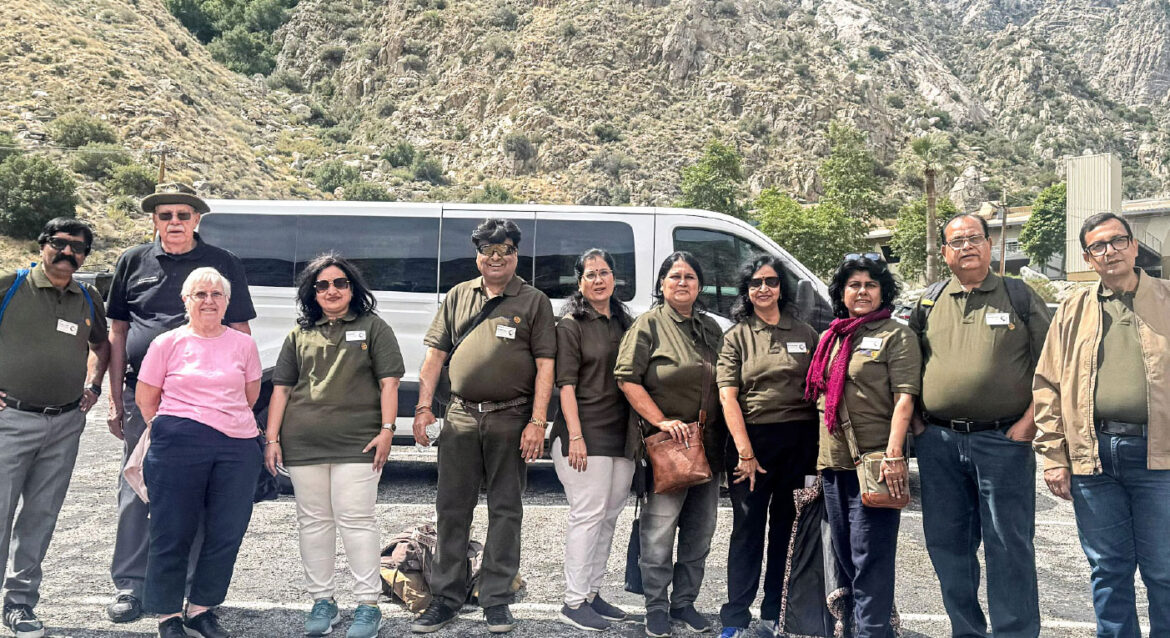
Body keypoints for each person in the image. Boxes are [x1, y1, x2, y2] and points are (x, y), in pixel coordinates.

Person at [105, 182, 256, 624]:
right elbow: (118, 332)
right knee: (137, 489)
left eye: (183, 215)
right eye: (165, 215)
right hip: (147, 395)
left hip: (210, 406)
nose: (174, 222)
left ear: (197, 219)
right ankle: (131, 586)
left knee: (202, 497)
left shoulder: (223, 262)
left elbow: (240, 330)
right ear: (154, 220)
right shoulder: (133, 260)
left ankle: (190, 591)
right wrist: (115, 399)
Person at [410, 219, 556, 635]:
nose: (495, 258)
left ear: (515, 255)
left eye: (504, 249)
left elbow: (546, 366)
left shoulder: (534, 301)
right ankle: (446, 597)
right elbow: (434, 358)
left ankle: (496, 598)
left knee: (506, 510)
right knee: (451, 508)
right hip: (459, 415)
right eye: (487, 250)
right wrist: (423, 408)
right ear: (477, 255)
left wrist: (538, 422)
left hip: (511, 416)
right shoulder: (459, 295)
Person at [909, 214, 1051, 638]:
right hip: (938, 441)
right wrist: (917, 423)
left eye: (974, 238)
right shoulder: (929, 302)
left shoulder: (1018, 296)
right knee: (947, 545)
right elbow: (906, 369)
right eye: (957, 241)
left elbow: (1053, 364)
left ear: (990, 245)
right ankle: (966, 630)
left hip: (1003, 441)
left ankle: (1015, 633)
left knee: (1009, 546)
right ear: (944, 253)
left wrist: (1028, 424)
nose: (967, 246)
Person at [1033, 212, 1170, 638]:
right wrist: (1054, 456)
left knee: (1164, 570)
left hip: (1159, 459)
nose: (1109, 251)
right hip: (1093, 459)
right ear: (1088, 258)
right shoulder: (1073, 309)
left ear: (1134, 246)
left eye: (1117, 241)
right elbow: (1047, 384)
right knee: (1108, 570)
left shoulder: (1166, 298)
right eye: (1098, 246)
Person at [264, 255, 404, 638]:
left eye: (340, 283)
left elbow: (389, 383)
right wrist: (272, 439)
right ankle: (322, 601)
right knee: (313, 523)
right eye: (322, 285)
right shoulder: (299, 334)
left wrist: (387, 430)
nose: (332, 291)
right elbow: (281, 390)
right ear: (312, 293)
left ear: (352, 288)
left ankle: (367, 606)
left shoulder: (374, 327)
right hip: (303, 444)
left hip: (358, 444)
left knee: (356, 520)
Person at [136, 267, 261, 638]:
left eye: (216, 294)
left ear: (227, 302)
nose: (209, 301)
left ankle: (201, 609)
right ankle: (168, 615)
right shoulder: (167, 343)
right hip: (178, 444)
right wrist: (179, 430)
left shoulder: (244, 344)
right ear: (185, 301)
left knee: (227, 530)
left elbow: (250, 396)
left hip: (237, 445)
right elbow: (146, 400)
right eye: (200, 294)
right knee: (171, 530)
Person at [0, 218, 110, 638]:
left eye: (77, 248)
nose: (68, 253)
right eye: (60, 244)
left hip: (64, 424)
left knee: (41, 517)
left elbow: (101, 344)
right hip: (10, 419)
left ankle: (20, 604)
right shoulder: (10, 285)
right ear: (42, 244)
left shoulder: (88, 297)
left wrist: (93, 385)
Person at [805, 254, 920, 638]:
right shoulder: (832, 336)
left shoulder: (895, 335)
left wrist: (894, 456)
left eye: (871, 285)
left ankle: (873, 631)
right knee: (845, 555)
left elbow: (904, 399)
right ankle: (857, 626)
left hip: (875, 465)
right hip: (834, 464)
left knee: (871, 557)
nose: (862, 291)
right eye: (854, 285)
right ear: (842, 293)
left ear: (883, 291)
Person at [614, 251, 726, 638]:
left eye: (690, 277)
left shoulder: (710, 327)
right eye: (675, 276)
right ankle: (657, 607)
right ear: (662, 284)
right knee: (659, 533)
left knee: (700, 533)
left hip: (708, 447)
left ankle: (684, 603)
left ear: (700, 285)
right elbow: (627, 379)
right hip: (667, 448)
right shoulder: (648, 325)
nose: (682, 282)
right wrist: (660, 420)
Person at [716, 256, 820, 638]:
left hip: (800, 443)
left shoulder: (805, 333)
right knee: (747, 530)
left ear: (781, 287)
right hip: (752, 443)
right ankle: (735, 616)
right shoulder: (737, 336)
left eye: (771, 281)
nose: (764, 288)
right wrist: (745, 452)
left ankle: (775, 612)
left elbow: (820, 389)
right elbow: (727, 397)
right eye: (756, 282)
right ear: (746, 290)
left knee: (786, 530)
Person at [550, 249, 637, 632]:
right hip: (584, 433)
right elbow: (566, 385)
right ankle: (573, 602)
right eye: (590, 274)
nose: (598, 280)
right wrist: (576, 436)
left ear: (614, 277)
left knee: (609, 517)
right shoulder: (571, 325)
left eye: (604, 272)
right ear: (580, 281)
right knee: (587, 516)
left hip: (621, 434)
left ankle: (591, 593)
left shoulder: (624, 321)